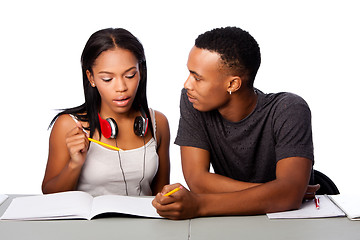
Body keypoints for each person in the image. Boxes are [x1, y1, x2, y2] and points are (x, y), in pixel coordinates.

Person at [152, 26, 319, 219]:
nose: (187, 84)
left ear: (233, 84)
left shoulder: (289, 109)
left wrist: (199, 205)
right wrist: (279, 192)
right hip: (233, 219)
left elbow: (289, 197)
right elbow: (198, 180)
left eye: (197, 78)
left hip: (294, 221)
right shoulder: (194, 101)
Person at [42, 28, 170, 197]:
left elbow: (161, 195)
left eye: (130, 75)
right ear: (91, 78)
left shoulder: (157, 122)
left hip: (142, 223)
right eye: (107, 79)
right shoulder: (68, 125)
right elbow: (49, 195)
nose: (121, 88)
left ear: (142, 72)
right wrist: (74, 165)